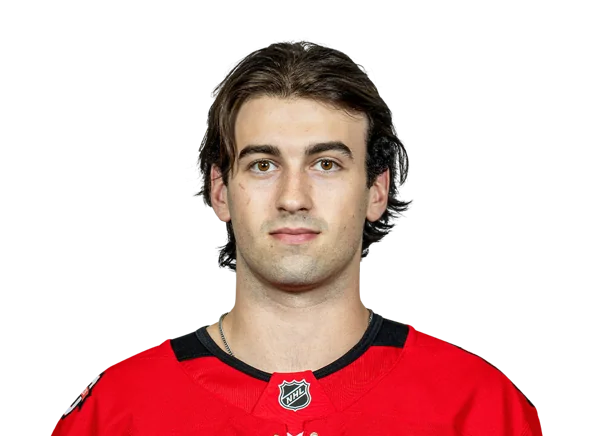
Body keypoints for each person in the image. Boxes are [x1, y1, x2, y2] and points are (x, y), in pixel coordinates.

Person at [50, 38, 542, 435]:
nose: (293, 198)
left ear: (376, 190)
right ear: (220, 191)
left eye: (326, 164)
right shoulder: (118, 412)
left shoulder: (477, 407)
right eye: (263, 165)